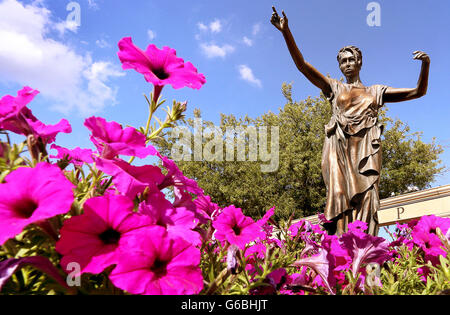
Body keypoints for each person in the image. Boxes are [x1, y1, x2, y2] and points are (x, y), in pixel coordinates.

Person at [271, 7, 430, 235]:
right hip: (339, 148)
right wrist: (286, 32)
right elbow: (302, 66)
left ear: (359, 62)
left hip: (366, 150)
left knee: (368, 197)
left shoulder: (376, 91)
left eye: (350, 59)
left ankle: (364, 249)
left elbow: (418, 92)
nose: (346, 64)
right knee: (338, 196)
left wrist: (425, 65)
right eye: (342, 61)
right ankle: (341, 250)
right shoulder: (335, 87)